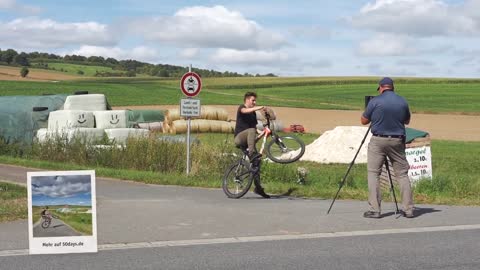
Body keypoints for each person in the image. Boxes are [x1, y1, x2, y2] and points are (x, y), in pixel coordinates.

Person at [361, 77, 414, 218]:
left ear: (381, 88)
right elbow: (407, 120)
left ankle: (375, 209)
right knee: (402, 175)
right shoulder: (402, 101)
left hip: (378, 141)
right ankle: (408, 209)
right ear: (392, 87)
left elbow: (363, 121)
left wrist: (373, 113)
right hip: (397, 141)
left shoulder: (375, 101)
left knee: (373, 173)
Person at [234, 91, 270, 198]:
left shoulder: (253, 114)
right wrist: (258, 108)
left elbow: (255, 130)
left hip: (249, 140)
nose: (255, 102)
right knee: (251, 130)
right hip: (239, 138)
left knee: (256, 163)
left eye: (255, 101)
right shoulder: (242, 108)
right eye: (253, 100)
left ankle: (258, 188)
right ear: (247, 100)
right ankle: (252, 152)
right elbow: (245, 111)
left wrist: (263, 133)